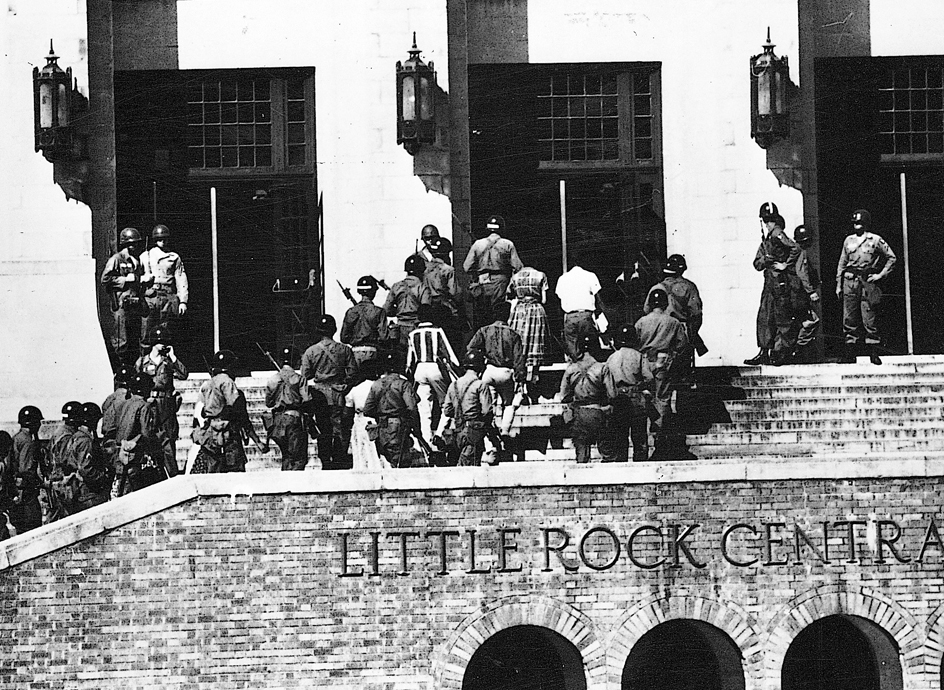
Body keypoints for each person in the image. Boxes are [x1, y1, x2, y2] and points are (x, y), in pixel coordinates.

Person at [636, 288, 691, 461]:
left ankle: (643, 441)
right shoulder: (673, 322)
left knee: (645, 400)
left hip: (644, 362)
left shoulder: (641, 322)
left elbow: (635, 343)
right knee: (662, 400)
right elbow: (683, 345)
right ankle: (659, 440)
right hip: (664, 362)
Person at [836, 209, 897, 365]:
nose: (857, 225)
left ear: (866, 224)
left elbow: (891, 258)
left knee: (869, 316)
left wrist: (880, 275)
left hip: (866, 281)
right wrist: (838, 284)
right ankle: (850, 353)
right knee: (849, 316)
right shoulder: (848, 241)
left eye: (860, 223)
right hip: (850, 281)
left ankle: (873, 351)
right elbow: (842, 263)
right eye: (855, 222)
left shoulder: (875, 240)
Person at [745, 204, 801, 366]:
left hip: (781, 283)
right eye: (767, 220)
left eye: (771, 220)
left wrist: (784, 264)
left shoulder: (777, 234)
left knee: (782, 318)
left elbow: (795, 248)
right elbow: (757, 263)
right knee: (765, 317)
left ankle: (780, 352)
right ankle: (764, 351)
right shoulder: (767, 239)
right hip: (769, 283)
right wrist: (766, 260)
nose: (769, 223)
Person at [300, 315, 357, 470]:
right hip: (338, 393)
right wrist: (344, 384)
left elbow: (304, 376)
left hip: (319, 395)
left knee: (323, 428)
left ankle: (326, 460)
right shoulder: (345, 350)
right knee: (339, 427)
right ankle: (339, 457)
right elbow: (352, 373)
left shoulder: (311, 351)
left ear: (318, 331)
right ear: (334, 330)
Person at [192, 351, 260, 475]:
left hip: (210, 433)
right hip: (227, 432)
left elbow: (199, 411)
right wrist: (255, 438)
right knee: (235, 470)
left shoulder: (207, 384)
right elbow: (236, 408)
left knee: (213, 470)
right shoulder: (227, 382)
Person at [467, 301, 526, 439]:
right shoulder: (513, 334)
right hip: (506, 372)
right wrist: (520, 378)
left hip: (489, 370)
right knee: (509, 403)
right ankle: (505, 430)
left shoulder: (484, 330)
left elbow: (471, 348)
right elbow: (519, 360)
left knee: (488, 404)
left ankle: (489, 433)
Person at [135, 327, 187, 478]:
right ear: (154, 343)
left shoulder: (168, 361)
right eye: (160, 342)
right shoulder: (143, 362)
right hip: (149, 403)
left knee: (168, 440)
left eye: (165, 342)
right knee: (148, 436)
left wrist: (173, 357)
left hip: (166, 403)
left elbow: (184, 374)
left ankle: (172, 473)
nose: (163, 344)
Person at [407, 304, 460, 444]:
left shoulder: (413, 334)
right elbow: (449, 353)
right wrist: (458, 368)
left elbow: (409, 360)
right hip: (435, 368)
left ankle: (425, 439)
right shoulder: (437, 331)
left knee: (423, 406)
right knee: (446, 403)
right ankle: (440, 432)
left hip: (419, 370)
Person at [646, 253, 703, 381]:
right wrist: (692, 335)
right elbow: (696, 314)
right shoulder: (689, 287)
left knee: (660, 373)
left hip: (659, 332)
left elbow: (646, 311)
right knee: (682, 373)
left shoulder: (656, 288)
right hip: (681, 332)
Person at [463, 215, 523, 331]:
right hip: (501, 282)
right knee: (498, 314)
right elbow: (518, 267)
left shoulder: (478, 244)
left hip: (482, 282)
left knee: (483, 316)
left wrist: (478, 273)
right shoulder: (507, 244)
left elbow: (466, 267)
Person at [364, 351, 423, 469]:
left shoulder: (376, 385)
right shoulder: (403, 384)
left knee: (390, 459)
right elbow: (412, 408)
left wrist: (383, 414)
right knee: (401, 461)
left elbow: (368, 410)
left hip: (382, 428)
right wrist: (417, 429)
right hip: (398, 426)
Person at [559, 335, 610, 464]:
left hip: (579, 414)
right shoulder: (602, 368)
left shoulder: (571, 369)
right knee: (607, 454)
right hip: (599, 412)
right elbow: (612, 394)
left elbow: (564, 396)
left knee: (581, 456)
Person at [113, 372, 167, 495]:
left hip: (122, 455)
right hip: (137, 457)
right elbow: (147, 434)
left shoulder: (125, 403)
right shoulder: (144, 406)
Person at [603, 326, 651, 462]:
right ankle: (641, 464)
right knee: (639, 435)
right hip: (635, 396)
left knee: (620, 434)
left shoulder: (612, 358)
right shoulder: (638, 356)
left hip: (617, 398)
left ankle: (621, 463)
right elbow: (649, 377)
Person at [101, 227, 146, 369]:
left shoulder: (136, 261)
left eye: (136, 243)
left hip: (134, 304)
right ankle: (120, 371)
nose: (134, 246)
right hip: (121, 305)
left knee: (134, 339)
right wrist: (125, 279)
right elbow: (105, 279)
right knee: (121, 341)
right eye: (131, 243)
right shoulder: (116, 259)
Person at [140, 223, 189, 349]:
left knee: (166, 330)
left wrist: (183, 301)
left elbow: (180, 278)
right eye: (159, 239)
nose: (162, 242)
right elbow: (136, 275)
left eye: (164, 239)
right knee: (147, 330)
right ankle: (145, 362)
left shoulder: (174, 257)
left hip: (168, 296)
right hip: (151, 296)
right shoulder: (146, 256)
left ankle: (165, 363)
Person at [442, 350, 494, 467]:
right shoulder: (480, 385)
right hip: (474, 432)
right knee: (471, 468)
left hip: (457, 432)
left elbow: (447, 411)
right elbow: (486, 411)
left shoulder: (453, 385)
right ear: (480, 367)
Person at [508, 265, 550, 396]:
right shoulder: (540, 275)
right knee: (536, 343)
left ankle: (521, 383)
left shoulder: (515, 277)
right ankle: (534, 378)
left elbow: (508, 296)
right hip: (536, 310)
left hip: (519, 312)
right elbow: (544, 299)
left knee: (520, 345)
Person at [265, 346, 308, 471]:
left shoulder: (273, 379)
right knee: (298, 458)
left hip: (277, 421)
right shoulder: (299, 379)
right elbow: (306, 400)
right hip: (294, 418)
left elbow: (269, 403)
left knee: (286, 457)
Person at [65, 403, 112, 513]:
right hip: (89, 493)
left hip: (79, 490)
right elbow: (86, 469)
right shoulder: (85, 441)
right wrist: (103, 477)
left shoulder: (76, 437)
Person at [555, 260, 603, 362]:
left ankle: (577, 368)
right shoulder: (590, 275)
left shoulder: (563, 278)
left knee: (573, 347)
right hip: (586, 315)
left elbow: (559, 299)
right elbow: (598, 297)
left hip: (570, 316)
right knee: (592, 346)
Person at [340, 275, 389, 372]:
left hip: (354, 353)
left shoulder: (350, 312)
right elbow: (384, 337)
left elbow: (344, 338)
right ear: (373, 292)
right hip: (373, 353)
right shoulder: (379, 312)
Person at [45, 401, 83, 523]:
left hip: (56, 481)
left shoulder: (59, 432)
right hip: (63, 482)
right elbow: (66, 461)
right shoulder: (67, 435)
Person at [422, 237, 462, 348]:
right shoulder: (448, 270)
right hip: (446, 309)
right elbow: (455, 293)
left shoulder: (424, 269)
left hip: (428, 308)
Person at [9, 406, 45, 534]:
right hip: (26, 493)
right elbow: (26, 469)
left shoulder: (17, 438)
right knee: (32, 526)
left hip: (18, 492)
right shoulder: (27, 441)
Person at [384, 255, 427, 357]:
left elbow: (386, 310)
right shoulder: (423, 288)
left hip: (399, 329)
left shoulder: (397, 286)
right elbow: (425, 311)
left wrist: (399, 310)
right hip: (416, 328)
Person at [346, 358, 383, 471]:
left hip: (361, 423)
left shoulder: (355, 389)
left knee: (362, 454)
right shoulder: (381, 387)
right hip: (378, 421)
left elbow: (347, 412)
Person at [793, 225, 822, 363]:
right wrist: (811, 291)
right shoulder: (801, 252)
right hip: (800, 295)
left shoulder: (795, 251)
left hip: (797, 294)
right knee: (812, 321)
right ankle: (799, 349)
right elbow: (802, 273)